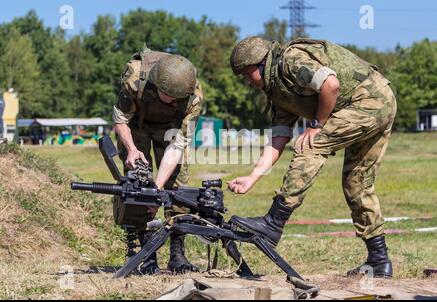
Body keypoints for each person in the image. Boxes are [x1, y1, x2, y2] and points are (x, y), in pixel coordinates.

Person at [227, 37, 397, 278]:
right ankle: (379, 260)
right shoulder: (278, 90)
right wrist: (252, 177)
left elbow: (330, 84)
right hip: (380, 101)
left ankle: (274, 223)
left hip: (368, 101)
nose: (247, 81)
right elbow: (278, 138)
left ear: (262, 63)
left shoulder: (290, 61)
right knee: (357, 183)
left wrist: (317, 125)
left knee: (310, 145)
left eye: (247, 73)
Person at [112, 45, 203, 274]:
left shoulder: (193, 97)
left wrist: (158, 189)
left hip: (170, 131)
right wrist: (132, 150)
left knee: (177, 186)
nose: (173, 101)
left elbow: (178, 145)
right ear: (157, 84)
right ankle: (143, 252)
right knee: (137, 185)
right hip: (136, 127)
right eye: (168, 96)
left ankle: (177, 254)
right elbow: (120, 118)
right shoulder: (134, 77)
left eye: (177, 98)